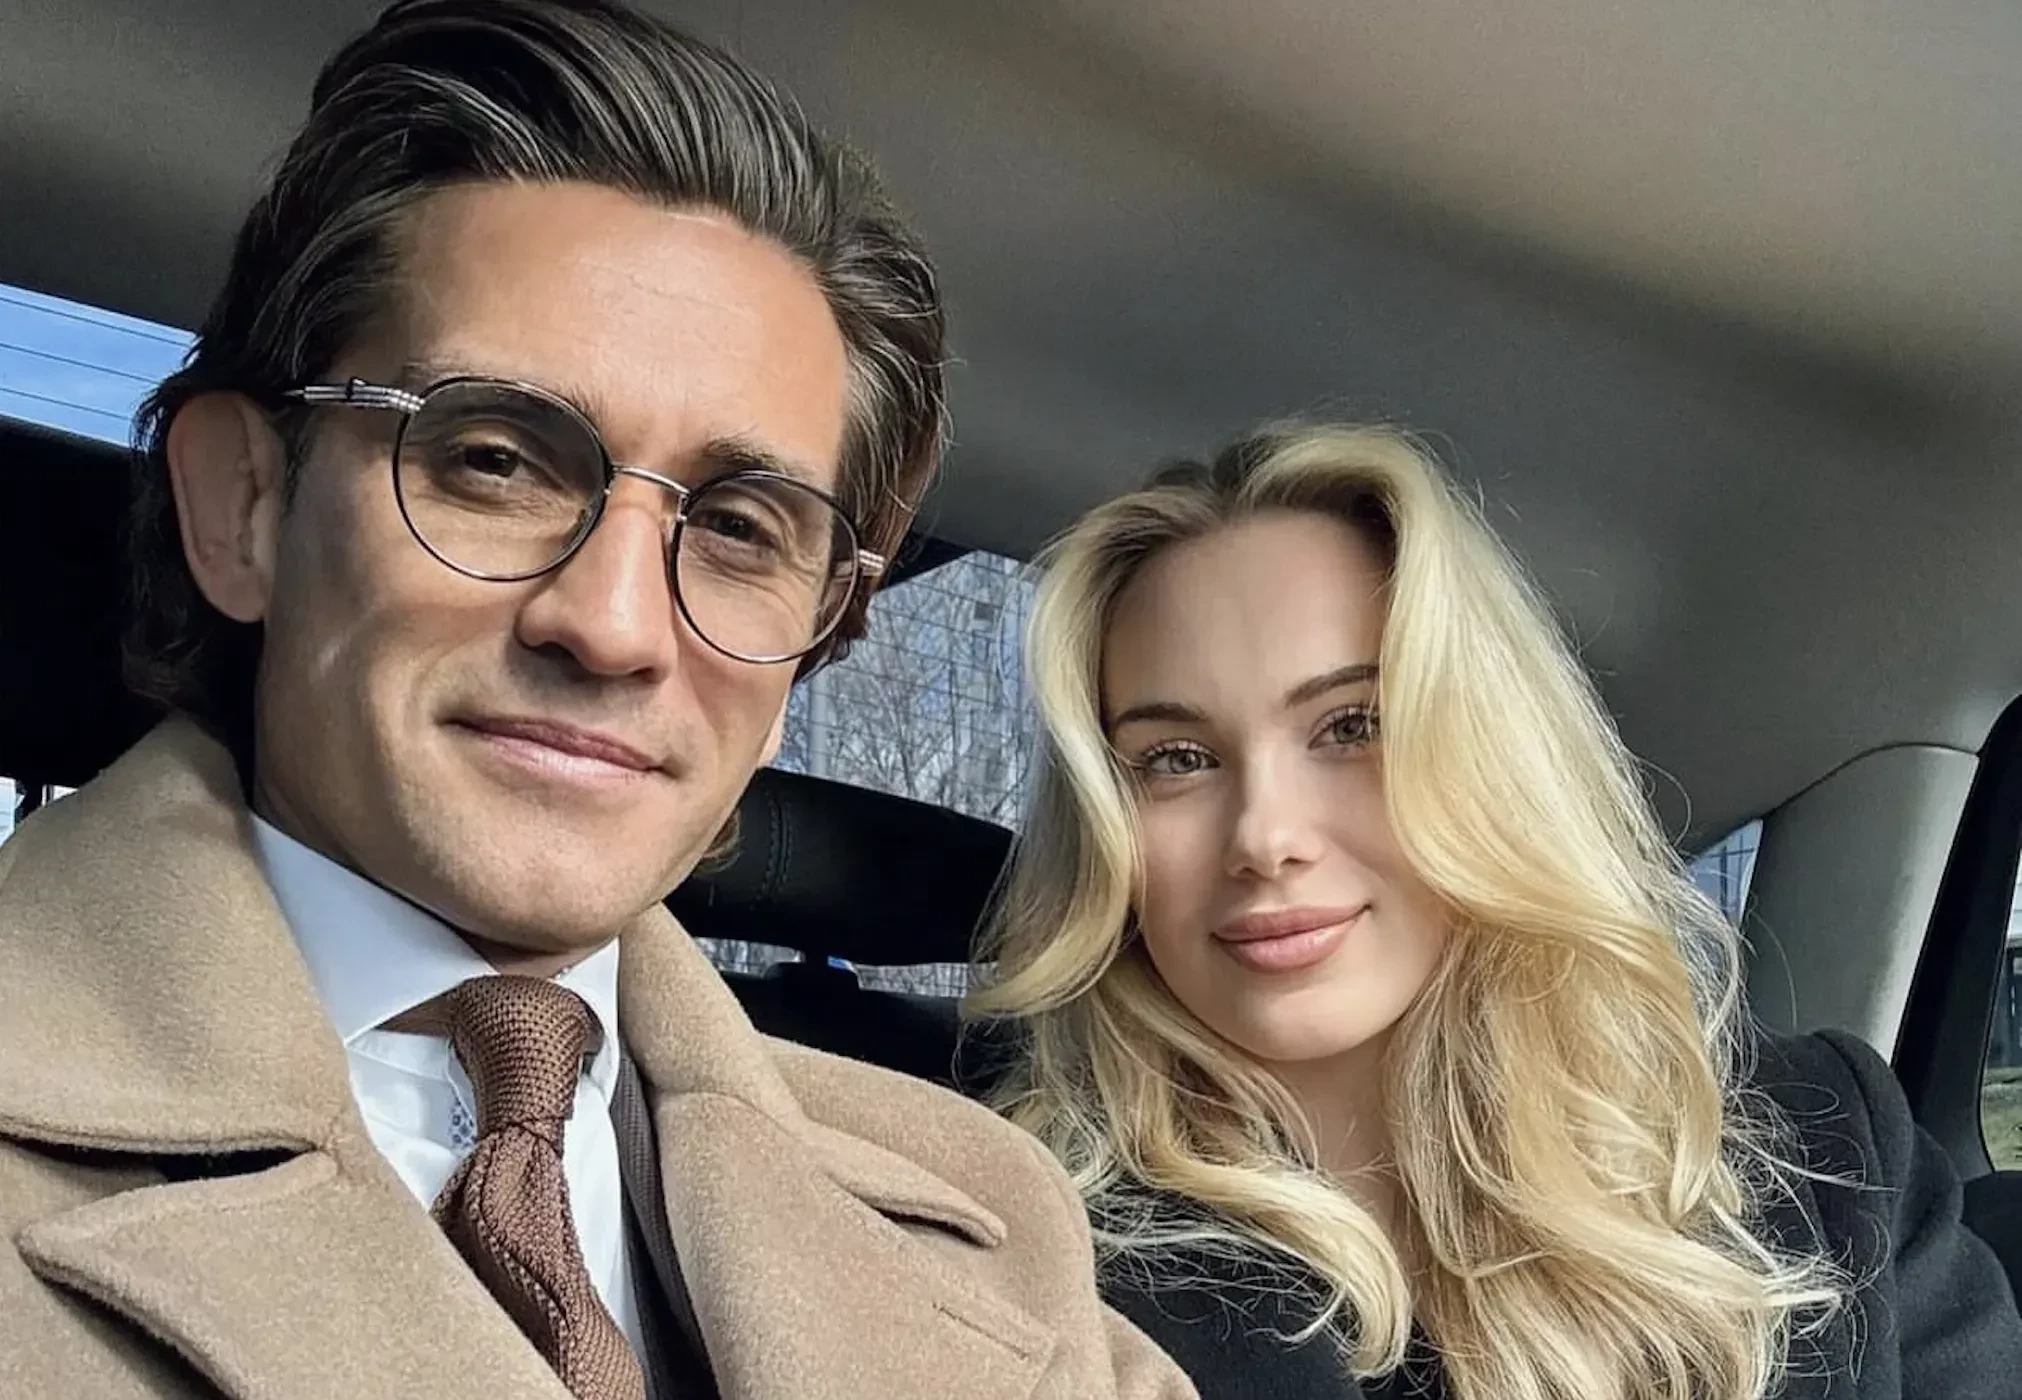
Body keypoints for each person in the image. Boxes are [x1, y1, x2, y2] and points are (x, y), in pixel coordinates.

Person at [0, 4, 1195, 1398]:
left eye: (740, 527)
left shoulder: (996, 1226)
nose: (615, 625)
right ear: (245, 505)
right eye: (494, 460)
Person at [972, 421, 2022, 1400]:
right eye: (1176, 758)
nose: (1264, 835)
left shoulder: (1830, 1151)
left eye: (1353, 725)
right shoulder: (1014, 1250)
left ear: (1490, 756)